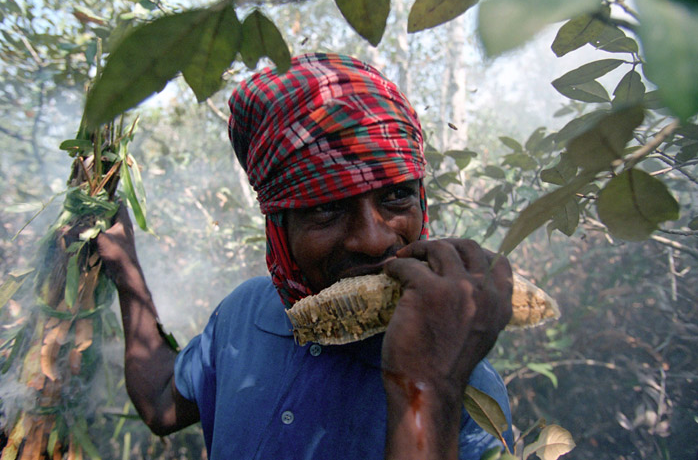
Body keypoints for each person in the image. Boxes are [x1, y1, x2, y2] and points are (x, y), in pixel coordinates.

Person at [97, 52, 514, 460]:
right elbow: (160, 401)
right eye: (325, 207)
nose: (372, 240)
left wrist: (428, 388)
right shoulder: (244, 314)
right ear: (279, 228)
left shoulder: (466, 389)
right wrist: (126, 269)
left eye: (396, 196)